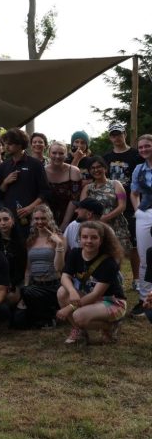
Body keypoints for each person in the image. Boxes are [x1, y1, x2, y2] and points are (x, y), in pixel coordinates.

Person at [56, 220, 126, 344]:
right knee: (62, 292)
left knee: (78, 315)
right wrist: (72, 291)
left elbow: (96, 294)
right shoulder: (75, 253)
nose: (89, 241)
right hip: (90, 297)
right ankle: (79, 331)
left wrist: (70, 308)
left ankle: (111, 326)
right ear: (79, 238)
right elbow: (65, 276)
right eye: (85, 237)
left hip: (112, 301)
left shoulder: (109, 262)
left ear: (101, 240)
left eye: (94, 237)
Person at [12, 205, 65, 329]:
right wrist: (26, 288)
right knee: (17, 321)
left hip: (53, 286)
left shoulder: (59, 238)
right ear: (33, 220)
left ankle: (48, 316)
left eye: (43, 218)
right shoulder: (30, 240)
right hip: (35, 287)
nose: (40, 222)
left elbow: (59, 267)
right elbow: (28, 269)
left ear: (49, 219)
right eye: (36, 219)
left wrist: (59, 245)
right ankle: (46, 316)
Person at [103, 123, 142, 292]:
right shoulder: (106, 157)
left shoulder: (136, 155)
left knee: (134, 244)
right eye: (113, 134)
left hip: (132, 204)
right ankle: (114, 278)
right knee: (111, 243)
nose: (116, 137)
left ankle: (137, 279)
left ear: (125, 134)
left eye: (119, 134)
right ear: (110, 137)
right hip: (112, 204)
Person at [0, 128, 50, 237]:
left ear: (20, 144)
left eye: (10, 144)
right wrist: (5, 182)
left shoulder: (35, 164)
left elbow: (46, 192)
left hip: (32, 219)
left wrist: (30, 208)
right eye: (5, 144)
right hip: (9, 220)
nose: (6, 147)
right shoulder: (3, 166)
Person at [131, 134, 152, 315]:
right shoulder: (139, 169)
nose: (144, 149)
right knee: (144, 257)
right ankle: (145, 299)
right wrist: (137, 211)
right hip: (145, 213)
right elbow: (134, 193)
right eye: (141, 147)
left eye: (147, 146)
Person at [0, 207, 26, 307]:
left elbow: (21, 268)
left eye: (6, 219)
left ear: (13, 220)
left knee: (12, 297)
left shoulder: (21, 242)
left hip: (15, 281)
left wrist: (11, 284)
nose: (2, 223)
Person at [44, 141, 82, 228]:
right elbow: (41, 197)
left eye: (61, 153)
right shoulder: (42, 171)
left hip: (70, 215)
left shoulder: (74, 171)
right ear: (49, 154)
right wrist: (49, 220)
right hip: (46, 216)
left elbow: (74, 198)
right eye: (54, 153)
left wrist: (65, 223)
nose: (57, 156)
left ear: (66, 155)